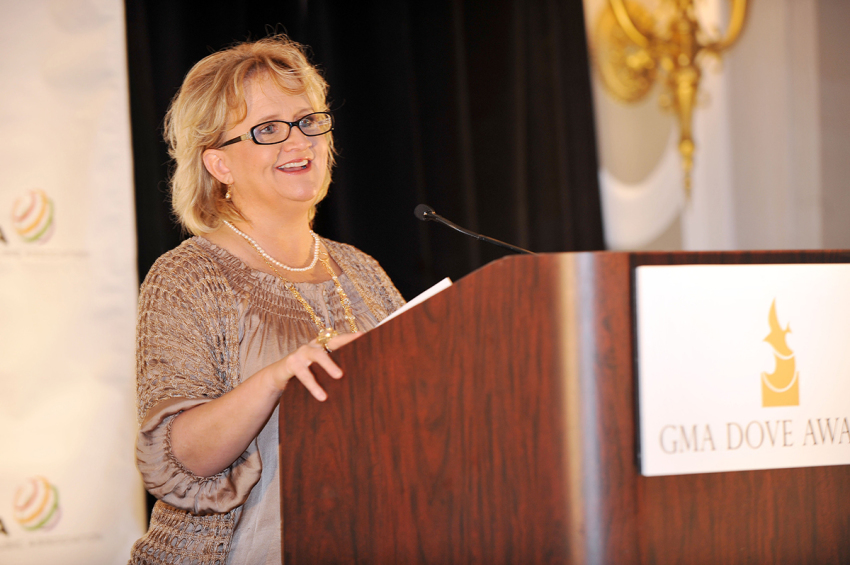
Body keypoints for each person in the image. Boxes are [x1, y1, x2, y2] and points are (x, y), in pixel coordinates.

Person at [128, 35, 404, 565]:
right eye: (268, 129)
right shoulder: (188, 277)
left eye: (307, 121)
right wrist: (278, 378)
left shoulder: (363, 272)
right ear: (219, 165)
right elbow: (175, 459)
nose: (297, 142)